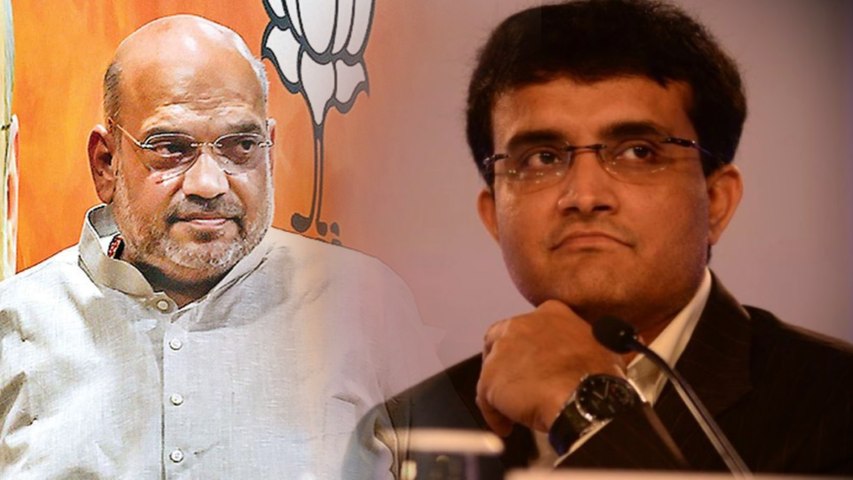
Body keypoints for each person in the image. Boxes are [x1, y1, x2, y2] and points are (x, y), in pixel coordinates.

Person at [378, 0, 853, 477]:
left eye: (638, 152)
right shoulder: (403, 432)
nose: (584, 196)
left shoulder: (835, 404)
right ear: (495, 216)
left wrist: (586, 408)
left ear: (716, 201)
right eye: (542, 157)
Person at [0, 15, 439, 479]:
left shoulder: (364, 306)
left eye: (240, 146)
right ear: (106, 163)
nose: (209, 183)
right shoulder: (16, 325)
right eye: (171, 148)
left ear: (269, 149)